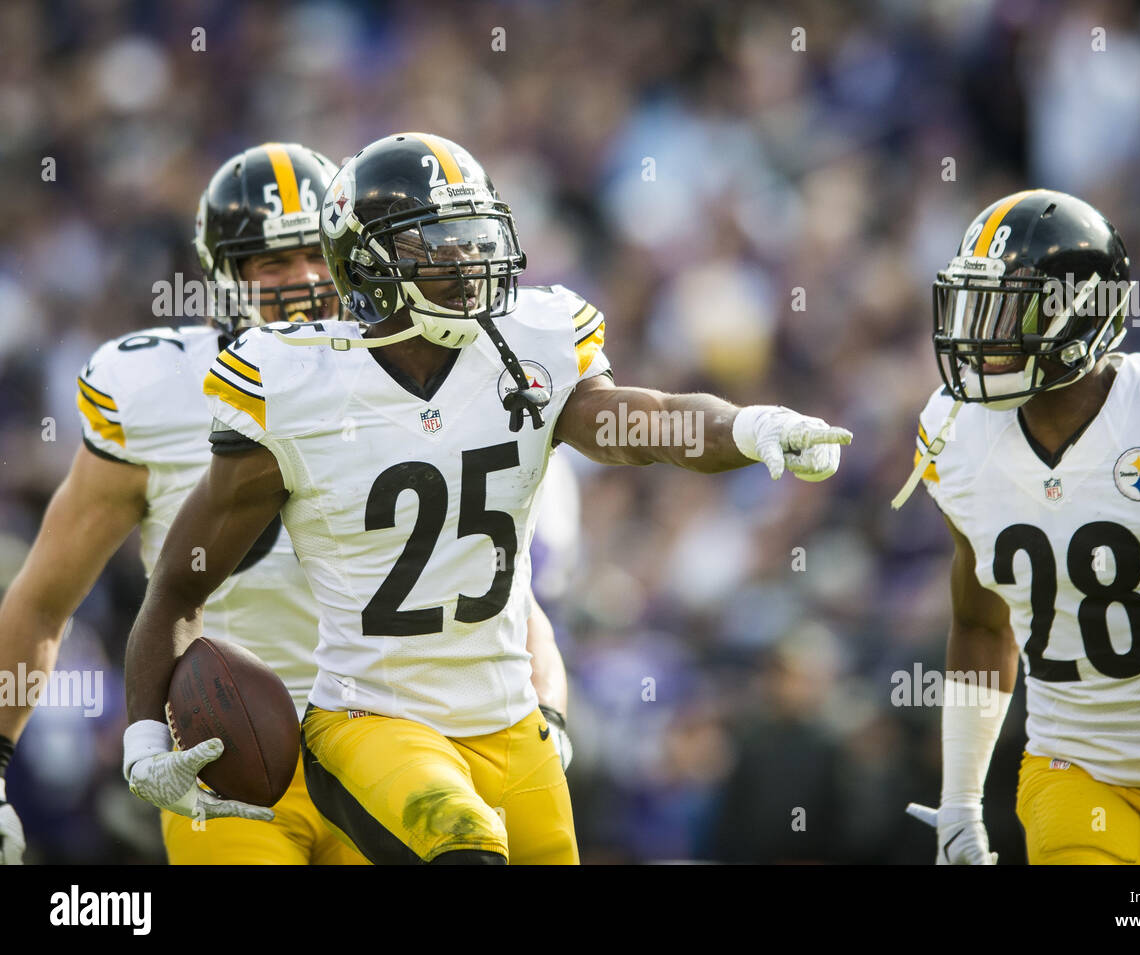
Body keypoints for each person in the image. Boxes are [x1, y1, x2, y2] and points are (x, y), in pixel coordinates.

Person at [118, 131, 852, 864]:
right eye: (436, 244)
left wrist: (753, 426)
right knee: (464, 846)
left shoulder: (529, 345)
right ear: (369, 263)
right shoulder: (298, 384)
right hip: (373, 719)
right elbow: (182, 580)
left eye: (473, 237)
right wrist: (146, 736)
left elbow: (646, 420)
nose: (466, 261)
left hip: (509, 722)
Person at [0, 141, 569, 865]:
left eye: (311, 254)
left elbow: (501, 587)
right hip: (230, 749)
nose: (302, 281)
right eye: (271, 263)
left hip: (397, 737)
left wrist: (545, 713)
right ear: (223, 275)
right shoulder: (155, 393)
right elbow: (45, 596)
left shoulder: (426, 369)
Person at [897, 188, 1140, 865]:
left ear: (1079, 313)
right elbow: (980, 623)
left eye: (1004, 308)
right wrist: (962, 801)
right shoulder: (958, 436)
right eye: (974, 304)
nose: (979, 335)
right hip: (1074, 770)